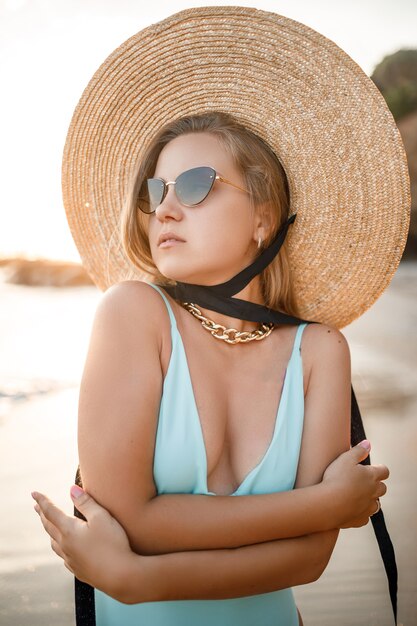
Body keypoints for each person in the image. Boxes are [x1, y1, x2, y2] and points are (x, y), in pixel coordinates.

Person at [32, 7, 409, 625]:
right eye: (155, 192)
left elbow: (309, 561)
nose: (166, 210)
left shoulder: (320, 350)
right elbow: (133, 521)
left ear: (263, 216)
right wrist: (324, 503)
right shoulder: (133, 313)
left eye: (197, 184)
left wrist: (134, 575)